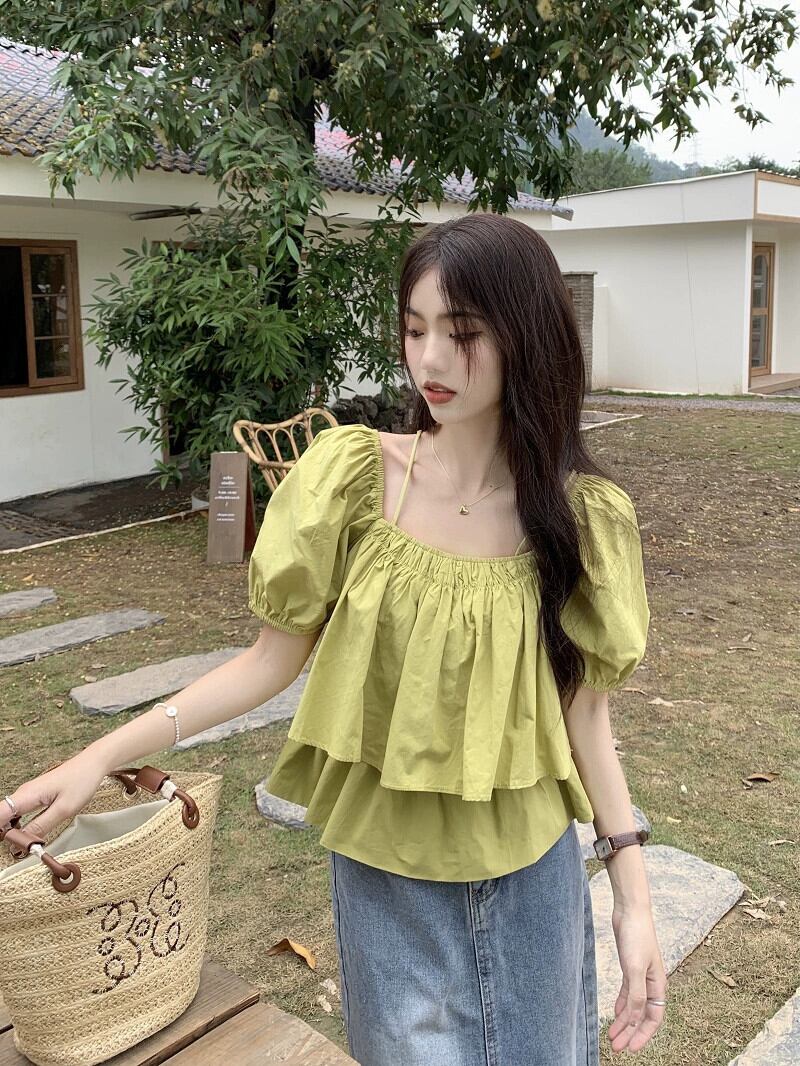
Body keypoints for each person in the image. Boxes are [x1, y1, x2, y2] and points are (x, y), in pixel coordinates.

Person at [1, 214, 666, 1064]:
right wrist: (98, 757)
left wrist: (633, 897)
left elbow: (586, 716)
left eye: (462, 333)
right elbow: (266, 664)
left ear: (526, 337)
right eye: (415, 329)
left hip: (534, 880)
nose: (430, 360)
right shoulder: (352, 478)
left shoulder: (581, 519)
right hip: (386, 886)